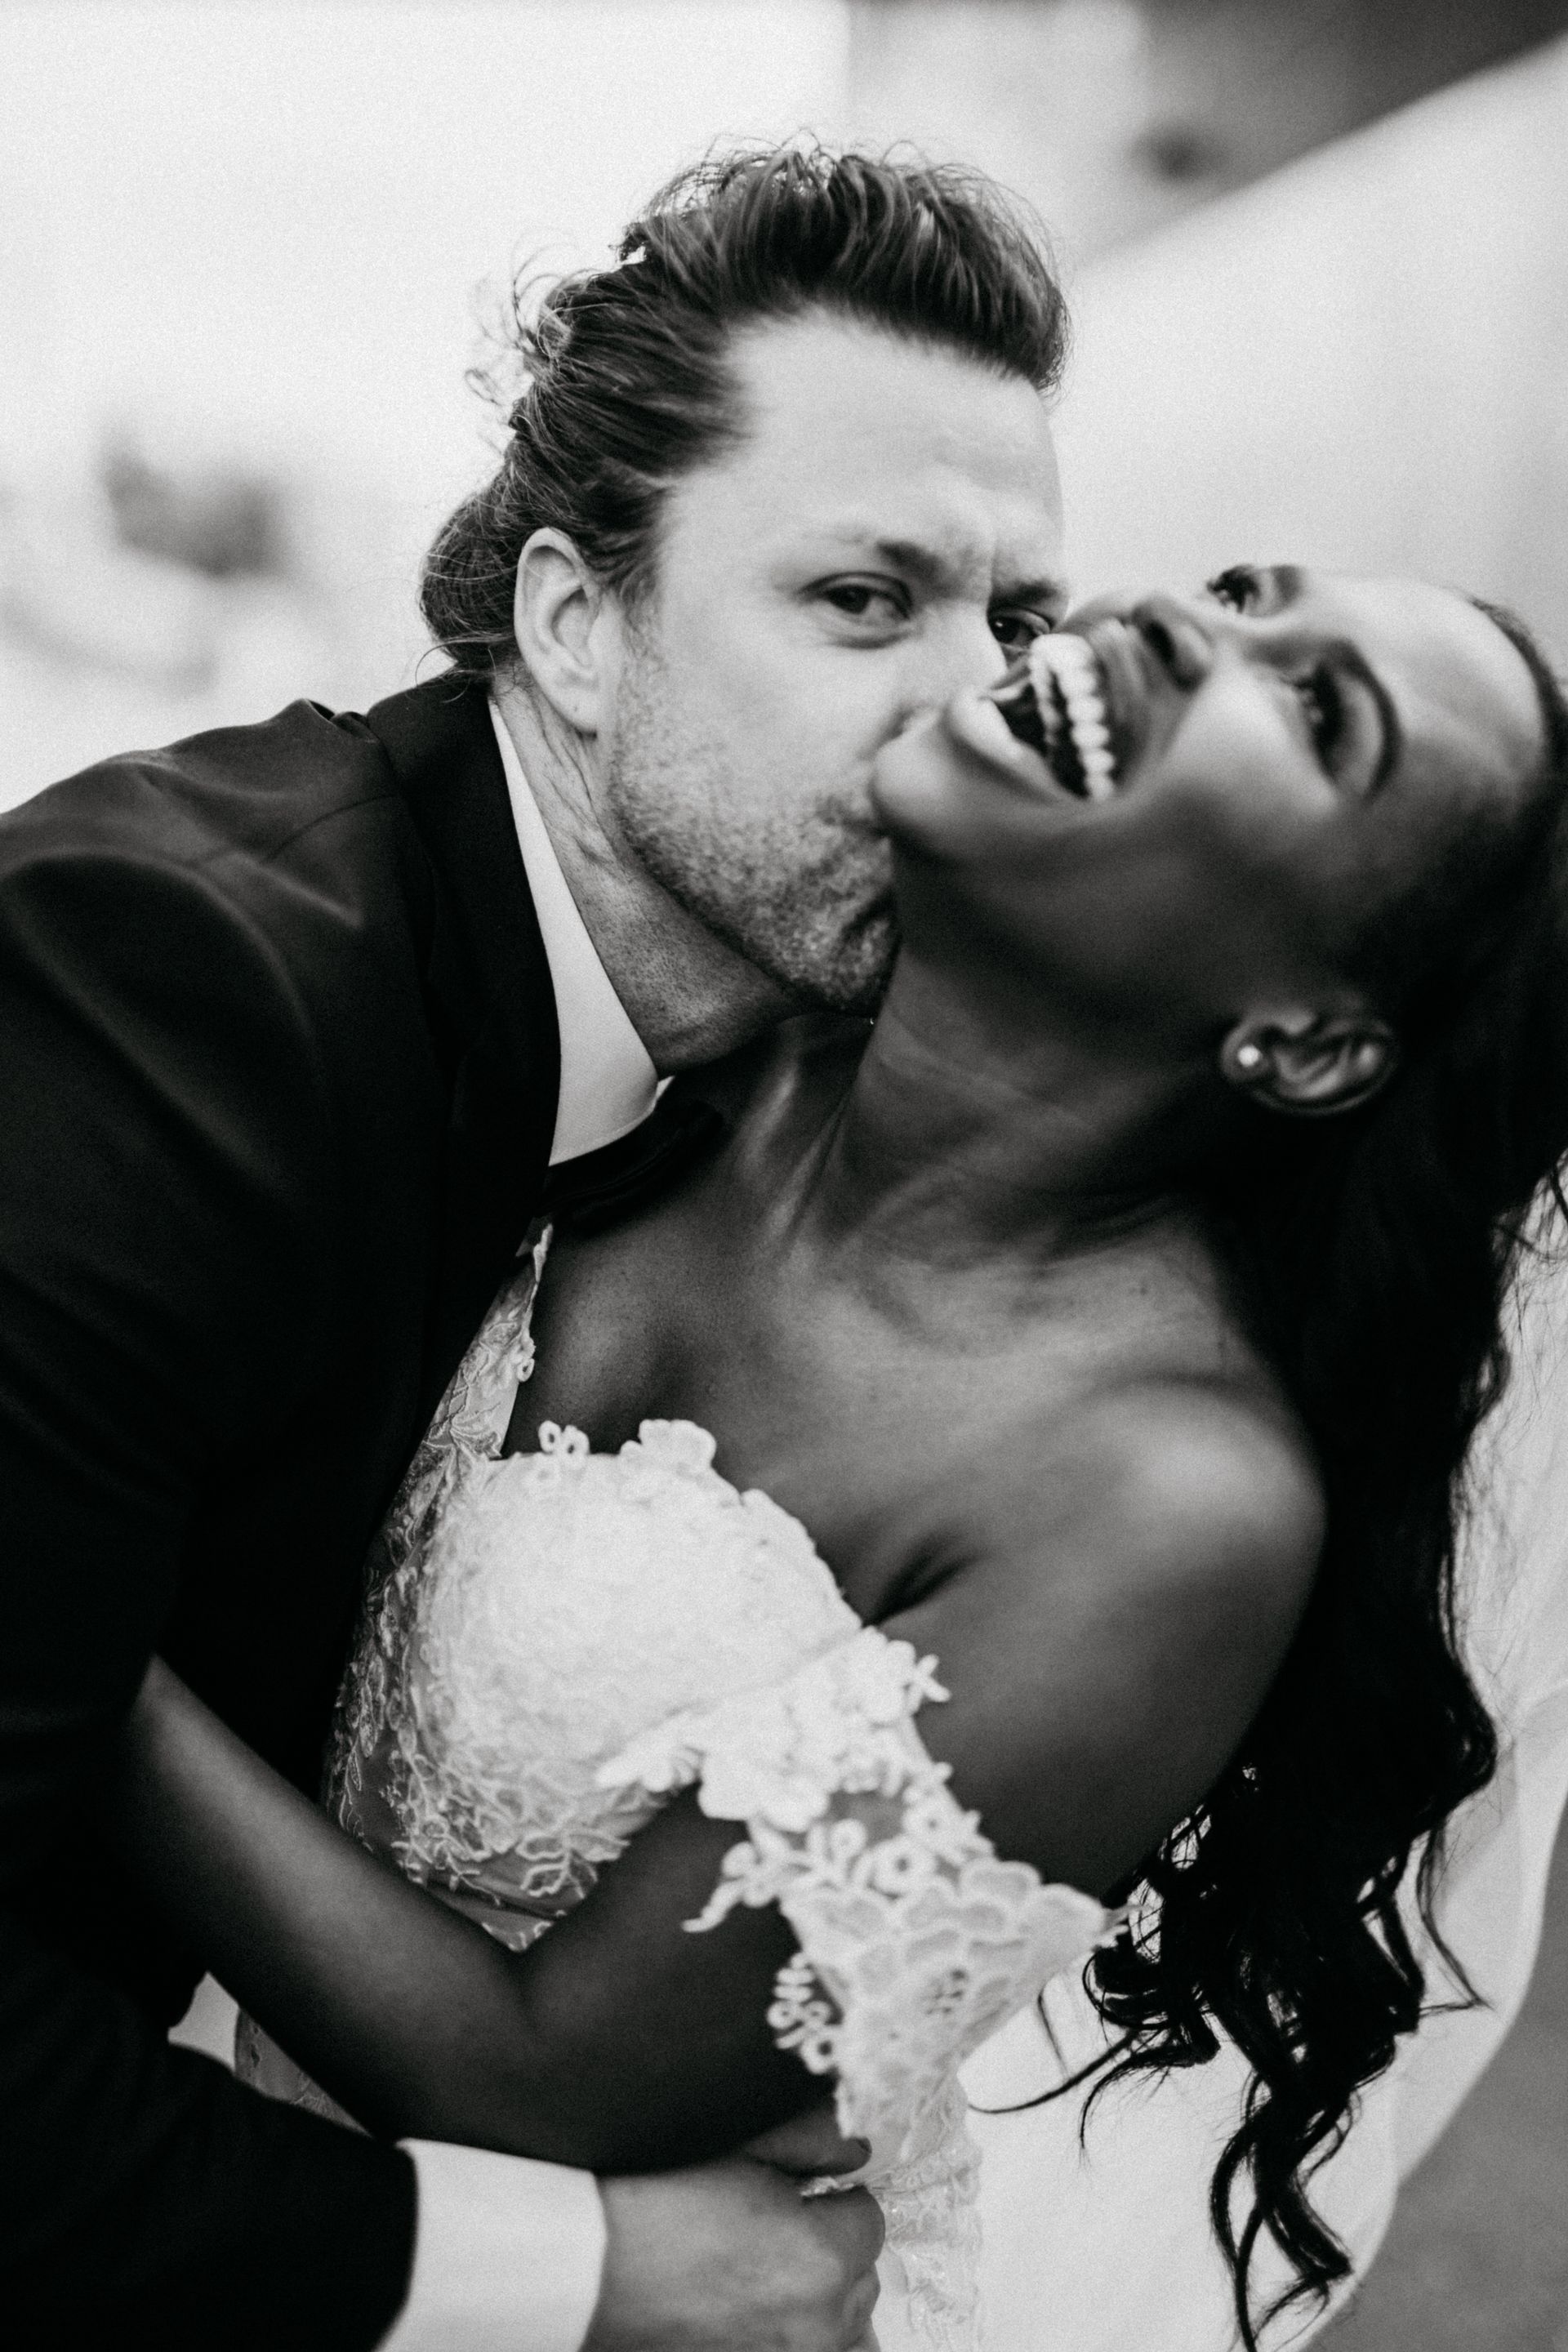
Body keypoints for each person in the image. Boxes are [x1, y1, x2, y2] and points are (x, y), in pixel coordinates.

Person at [109, 550, 1568, 2352]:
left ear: (1312, 1040)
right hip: (200, 2169)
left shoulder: (1158, 1502)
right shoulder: (701, 1031)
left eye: (1318, 710)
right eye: (1246, 591)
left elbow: (548, 2078)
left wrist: (63, 1628)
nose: (1195, 621)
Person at [0, 146, 1076, 2346]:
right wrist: (553, 2276)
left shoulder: (744, 1074)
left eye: (1020, 623)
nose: (979, 701)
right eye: (864, 599)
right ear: (578, 627)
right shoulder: (170, 996)